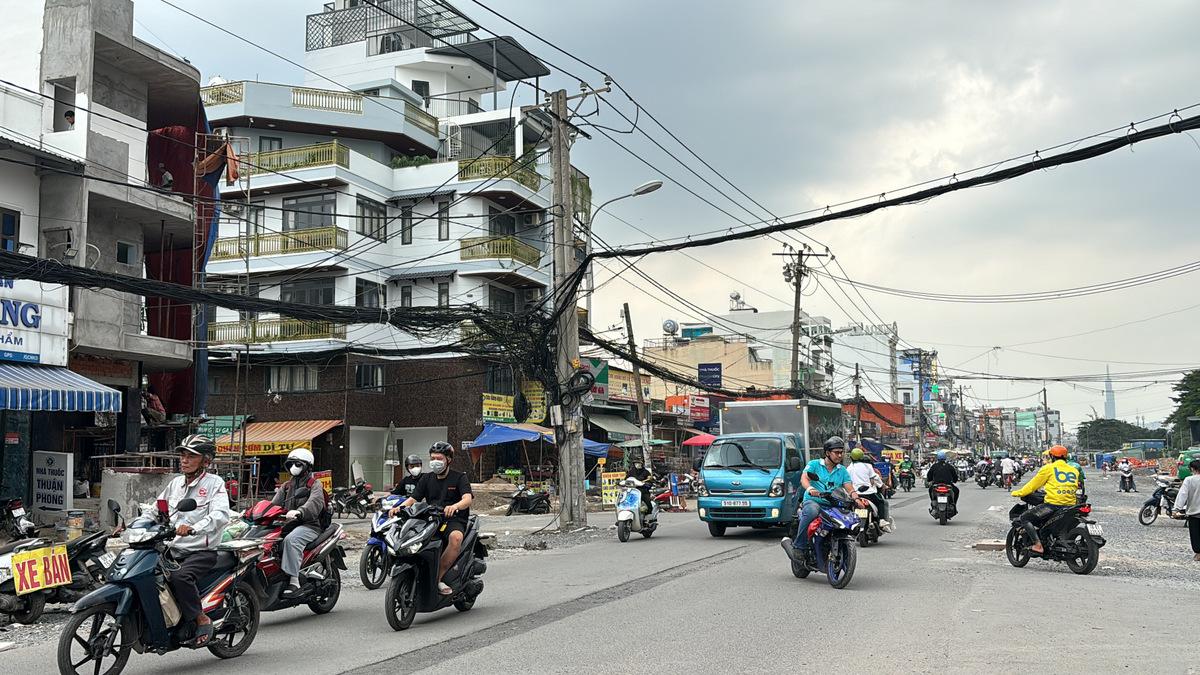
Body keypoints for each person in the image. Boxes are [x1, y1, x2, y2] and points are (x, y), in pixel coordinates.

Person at [155, 435, 230, 647]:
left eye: (191, 456)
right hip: (172, 548)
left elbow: (220, 514)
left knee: (180, 577)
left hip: (200, 551)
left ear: (206, 461)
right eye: (182, 455)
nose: (184, 460)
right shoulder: (175, 484)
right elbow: (156, 509)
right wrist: (134, 524)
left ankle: (201, 618)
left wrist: (194, 528)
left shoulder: (215, 484)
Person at [392, 442, 473, 595]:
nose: (435, 461)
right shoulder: (426, 479)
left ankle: (438, 579)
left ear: (448, 459)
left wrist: (455, 506)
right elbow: (414, 498)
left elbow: (467, 499)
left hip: (453, 519)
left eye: (439, 458)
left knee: (455, 538)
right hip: (431, 519)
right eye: (432, 458)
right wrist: (399, 508)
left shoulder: (459, 477)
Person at [781, 436, 867, 561]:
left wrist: (857, 499)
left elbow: (849, 488)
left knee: (848, 518)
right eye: (837, 452)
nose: (840, 455)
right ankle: (799, 547)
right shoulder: (814, 464)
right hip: (813, 501)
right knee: (812, 511)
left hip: (833, 505)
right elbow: (804, 478)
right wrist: (810, 489)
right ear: (827, 453)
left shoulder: (842, 470)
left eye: (842, 452)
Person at [270, 447, 330, 599]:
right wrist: (254, 513)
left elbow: (315, 503)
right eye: (290, 464)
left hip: (310, 525)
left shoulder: (314, 484)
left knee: (292, 540)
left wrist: (300, 512)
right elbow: (273, 505)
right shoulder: (286, 486)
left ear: (307, 466)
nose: (293, 468)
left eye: (297, 464)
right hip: (288, 525)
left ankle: (294, 580)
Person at [1010, 445, 1080, 555]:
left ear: (1052, 456)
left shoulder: (1048, 468)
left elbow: (1032, 486)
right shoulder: (1074, 470)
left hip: (1053, 505)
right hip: (1071, 504)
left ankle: (1038, 545)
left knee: (1025, 518)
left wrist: (1017, 493)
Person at [848, 448, 893, 532]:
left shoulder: (848, 468)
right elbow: (875, 477)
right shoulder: (867, 466)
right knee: (881, 502)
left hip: (854, 494)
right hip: (868, 493)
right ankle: (882, 520)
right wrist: (882, 485)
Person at [1170, 459, 1200, 561]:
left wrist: (1176, 509)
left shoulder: (1189, 480)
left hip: (1194, 513)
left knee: (1195, 534)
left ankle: (1198, 553)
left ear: (1192, 469)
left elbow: (1182, 495)